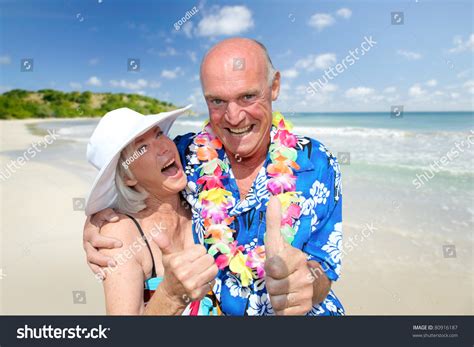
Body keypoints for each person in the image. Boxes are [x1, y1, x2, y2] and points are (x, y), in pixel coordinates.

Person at [83, 37, 344, 316]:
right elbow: (135, 183)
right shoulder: (187, 156)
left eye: (247, 96)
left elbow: (325, 267)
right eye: (217, 101)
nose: (234, 117)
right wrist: (97, 223)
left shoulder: (317, 163)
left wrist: (308, 283)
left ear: (274, 86)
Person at [85, 106, 220, 315]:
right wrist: (170, 296)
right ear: (128, 177)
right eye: (142, 147)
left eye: (159, 134)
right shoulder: (121, 235)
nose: (163, 148)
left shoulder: (203, 202)